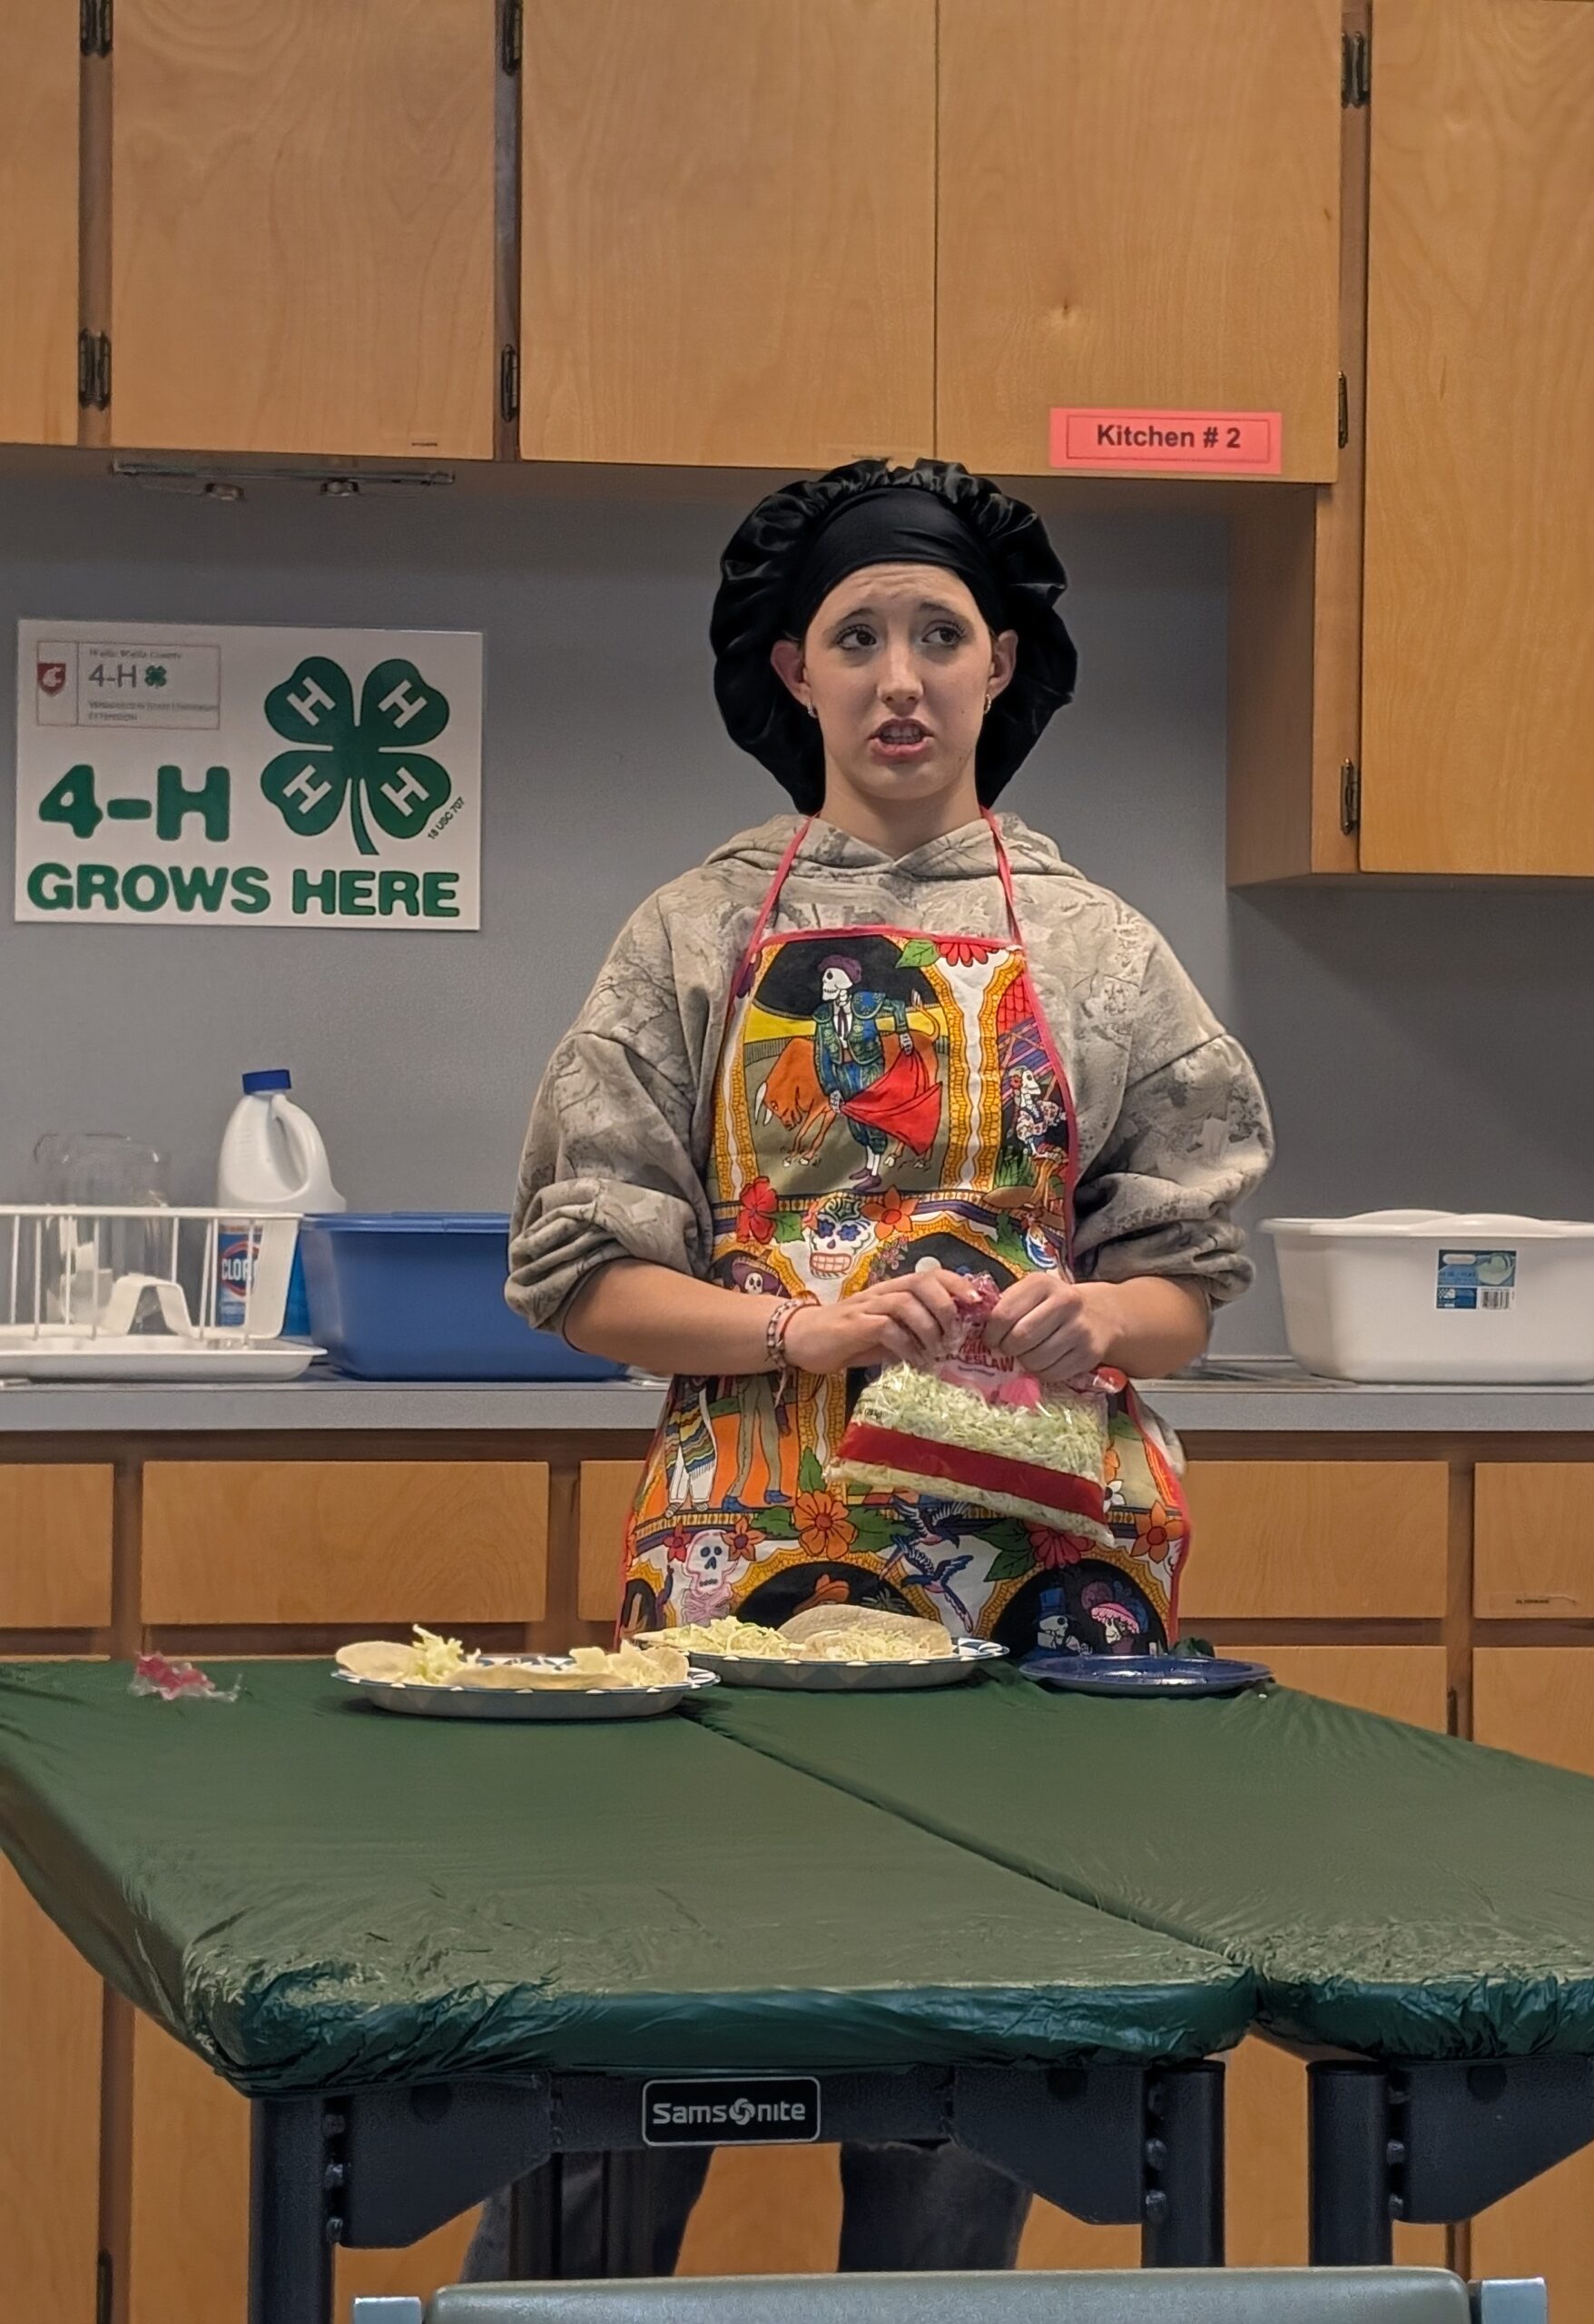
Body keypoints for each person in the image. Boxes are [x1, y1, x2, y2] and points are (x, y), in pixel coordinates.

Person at [481, 457, 1273, 2279]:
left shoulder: (1099, 950)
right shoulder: (690, 932)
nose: (900, 674)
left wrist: (1099, 1321)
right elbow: (588, 1276)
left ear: (1003, 665)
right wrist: (800, 1330)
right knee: (652, 2008)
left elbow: (1181, 1287)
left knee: (959, 2054)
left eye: (939, 632)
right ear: (793, 669)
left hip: (1035, 1566)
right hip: (746, 1553)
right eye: (859, 636)